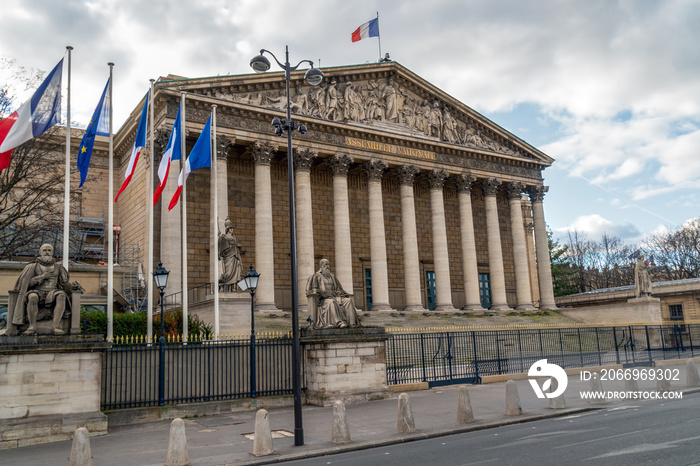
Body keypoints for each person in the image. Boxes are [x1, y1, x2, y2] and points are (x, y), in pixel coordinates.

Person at [12, 244, 70, 335]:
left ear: (52, 252)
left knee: (62, 295)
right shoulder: (32, 266)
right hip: (38, 291)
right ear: (40, 252)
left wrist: (74, 286)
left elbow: (64, 284)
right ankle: (32, 327)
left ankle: (55, 327)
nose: (47, 252)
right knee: (32, 297)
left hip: (52, 292)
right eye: (44, 250)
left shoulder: (59, 268)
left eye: (49, 250)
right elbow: (27, 283)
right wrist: (42, 277)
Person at [306, 259, 360, 329]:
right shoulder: (316, 277)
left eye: (328, 265)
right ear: (321, 267)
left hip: (334, 296)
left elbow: (339, 288)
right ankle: (339, 322)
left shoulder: (332, 276)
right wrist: (321, 293)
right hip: (323, 299)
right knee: (331, 302)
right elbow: (312, 290)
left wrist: (339, 292)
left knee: (348, 301)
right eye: (325, 265)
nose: (327, 267)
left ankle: (351, 323)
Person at [218, 218, 243, 289]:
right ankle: (222, 283)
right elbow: (221, 246)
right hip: (228, 256)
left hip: (235, 255)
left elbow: (238, 245)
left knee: (235, 271)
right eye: (230, 228)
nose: (232, 230)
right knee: (228, 273)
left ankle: (233, 287)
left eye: (232, 228)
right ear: (228, 229)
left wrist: (238, 246)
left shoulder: (234, 237)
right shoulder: (223, 237)